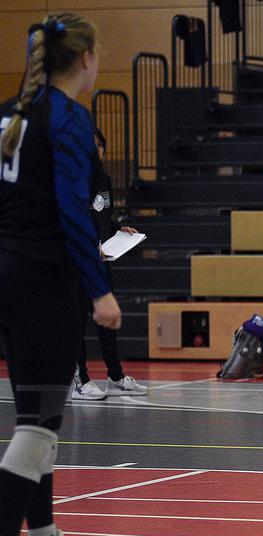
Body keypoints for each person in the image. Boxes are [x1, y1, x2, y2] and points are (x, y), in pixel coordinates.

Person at [0, 13, 119, 536]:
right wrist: (99, 290)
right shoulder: (68, 118)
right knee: (41, 424)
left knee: (36, 417)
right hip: (46, 285)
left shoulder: (9, 116)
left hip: (9, 280)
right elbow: (73, 210)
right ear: (86, 59)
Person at [71, 128, 149, 401]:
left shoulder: (102, 179)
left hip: (101, 261)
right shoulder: (69, 180)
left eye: (99, 146)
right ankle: (81, 379)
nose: (95, 151)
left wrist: (118, 230)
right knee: (78, 321)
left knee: (107, 321)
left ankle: (115, 377)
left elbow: (103, 219)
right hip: (77, 262)